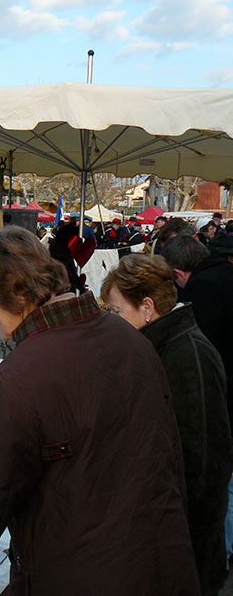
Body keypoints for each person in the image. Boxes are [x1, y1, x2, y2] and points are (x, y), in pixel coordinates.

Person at [0, 226, 198, 596]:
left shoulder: (15, 385)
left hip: (85, 577)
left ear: (16, 293)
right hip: (164, 566)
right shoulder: (130, 338)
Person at [101, 254, 233, 595]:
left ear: (147, 307)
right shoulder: (158, 347)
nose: (112, 321)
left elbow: (201, 466)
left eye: (116, 312)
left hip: (183, 547)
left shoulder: (188, 356)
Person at [162, 235, 233, 566]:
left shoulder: (202, 288)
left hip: (224, 387)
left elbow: (202, 345)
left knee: (225, 478)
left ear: (179, 273)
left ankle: (228, 547)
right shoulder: (225, 272)